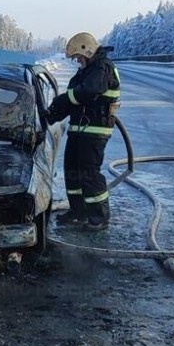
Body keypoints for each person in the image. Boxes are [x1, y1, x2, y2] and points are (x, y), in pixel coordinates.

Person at [44, 32, 121, 231]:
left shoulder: (102, 68)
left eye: (78, 57)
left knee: (89, 173)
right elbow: (71, 102)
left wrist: (63, 100)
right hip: (79, 130)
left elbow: (86, 92)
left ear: (87, 50)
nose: (78, 61)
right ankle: (78, 212)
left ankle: (99, 217)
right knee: (72, 171)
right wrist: (49, 116)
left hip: (94, 131)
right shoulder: (85, 71)